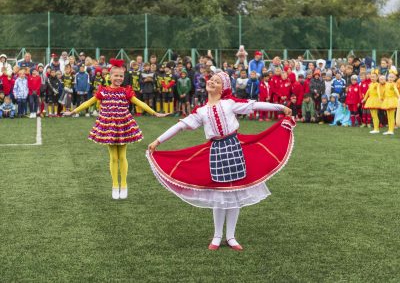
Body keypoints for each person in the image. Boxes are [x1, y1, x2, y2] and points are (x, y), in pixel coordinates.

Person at [147, 70, 293, 251]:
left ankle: (231, 236)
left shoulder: (230, 103)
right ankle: (217, 236)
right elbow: (180, 126)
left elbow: (255, 105)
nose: (212, 82)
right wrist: (158, 140)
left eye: (217, 81)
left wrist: (280, 108)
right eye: (211, 80)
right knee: (219, 195)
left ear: (223, 88)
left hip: (234, 148)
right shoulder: (200, 111)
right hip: (216, 151)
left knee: (235, 193)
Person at [64, 59, 167, 199]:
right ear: (109, 76)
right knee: (113, 157)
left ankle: (124, 185)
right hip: (109, 125)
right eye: (116, 76)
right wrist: (73, 111)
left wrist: (154, 113)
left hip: (123, 124)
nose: (119, 78)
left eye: (121, 76)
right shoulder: (103, 91)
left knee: (122, 156)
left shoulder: (126, 91)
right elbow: (89, 102)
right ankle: (115, 185)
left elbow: (140, 103)